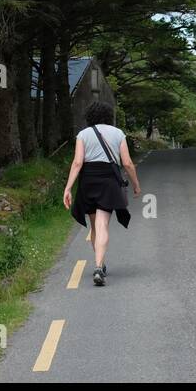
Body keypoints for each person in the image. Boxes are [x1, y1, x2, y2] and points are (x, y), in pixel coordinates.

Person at [63, 101, 141, 287]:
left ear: (90, 116)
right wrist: (136, 185)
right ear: (109, 116)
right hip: (109, 180)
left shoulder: (83, 134)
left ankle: (100, 264)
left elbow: (77, 163)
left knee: (94, 227)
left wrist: (68, 188)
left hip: (88, 180)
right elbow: (128, 163)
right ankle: (99, 266)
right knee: (103, 223)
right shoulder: (118, 133)